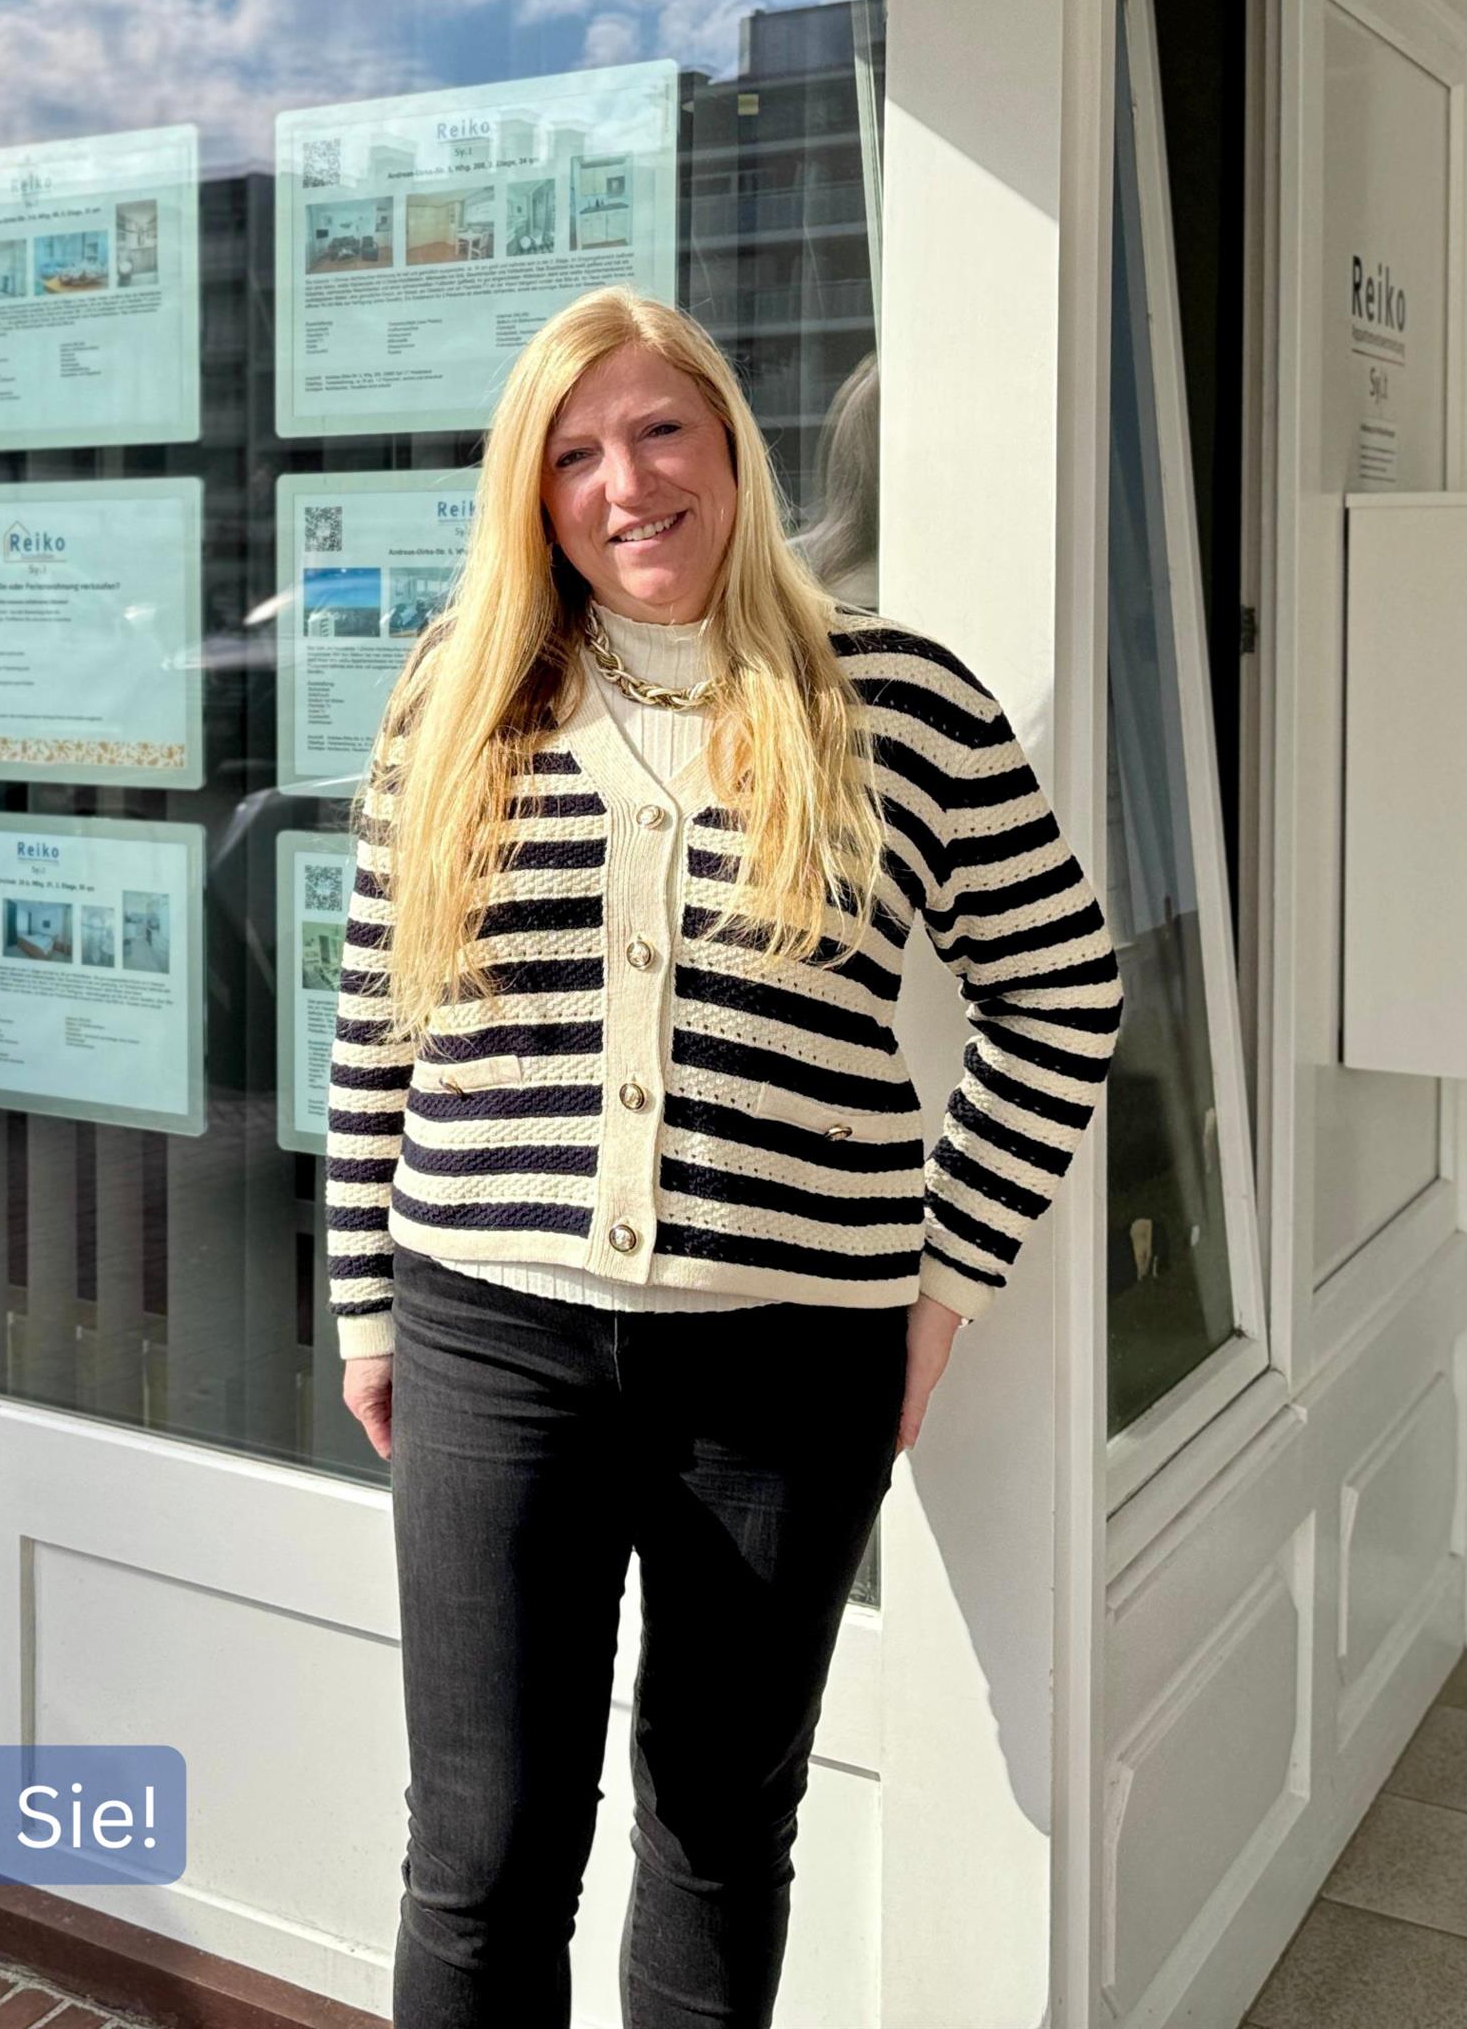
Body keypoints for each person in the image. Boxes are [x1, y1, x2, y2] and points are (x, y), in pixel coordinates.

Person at [327, 289, 1120, 2028]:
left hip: (788, 1362)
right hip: (493, 1338)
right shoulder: (461, 694)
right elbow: (381, 1018)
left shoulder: (896, 699)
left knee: (713, 1830)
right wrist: (367, 1309)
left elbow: (1064, 989)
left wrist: (945, 1283)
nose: (627, 484)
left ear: (735, 450)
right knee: (482, 1849)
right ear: (532, 495)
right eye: (574, 454)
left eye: (660, 430)